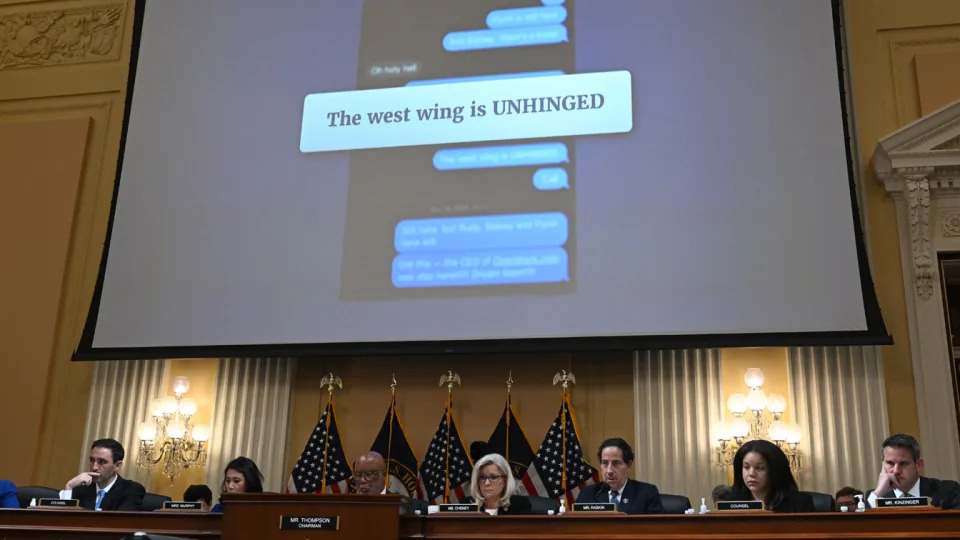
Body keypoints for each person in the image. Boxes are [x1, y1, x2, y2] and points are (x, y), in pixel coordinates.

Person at [867, 433, 960, 510]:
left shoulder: (948, 491)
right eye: (890, 463)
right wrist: (878, 493)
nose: (896, 471)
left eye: (903, 463)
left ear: (918, 464)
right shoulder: (875, 497)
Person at [575, 438, 663, 514]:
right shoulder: (588, 494)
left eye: (616, 463)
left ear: (629, 465)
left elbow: (656, 530)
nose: (609, 471)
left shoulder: (647, 493)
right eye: (605, 463)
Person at [729, 439, 814, 513]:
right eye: (746, 467)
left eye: (760, 468)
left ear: (775, 470)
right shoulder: (731, 503)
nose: (751, 474)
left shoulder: (800, 503)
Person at [60, 438, 145, 511]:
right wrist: (69, 486)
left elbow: (120, 523)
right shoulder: (81, 489)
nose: (94, 467)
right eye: (92, 460)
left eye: (101, 462)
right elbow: (62, 521)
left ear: (117, 465)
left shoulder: (131, 490)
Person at [464, 453, 531, 515]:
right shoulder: (466, 504)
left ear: (505, 480)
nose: (487, 483)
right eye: (482, 477)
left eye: (493, 477)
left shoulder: (519, 505)